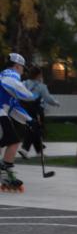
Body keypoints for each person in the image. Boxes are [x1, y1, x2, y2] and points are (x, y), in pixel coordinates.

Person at [0, 53, 35, 192]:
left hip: (2, 113)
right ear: (16, 66)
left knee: (9, 141)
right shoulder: (10, 75)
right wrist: (31, 95)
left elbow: (14, 107)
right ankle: (6, 172)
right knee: (12, 141)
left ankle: (6, 173)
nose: (22, 71)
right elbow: (17, 88)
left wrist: (30, 121)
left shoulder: (5, 76)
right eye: (22, 68)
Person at [18, 66, 60, 159]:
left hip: (24, 110)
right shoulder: (41, 87)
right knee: (34, 129)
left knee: (33, 129)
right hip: (36, 111)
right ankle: (24, 150)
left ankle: (39, 152)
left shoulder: (24, 83)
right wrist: (56, 103)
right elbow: (48, 98)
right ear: (39, 75)